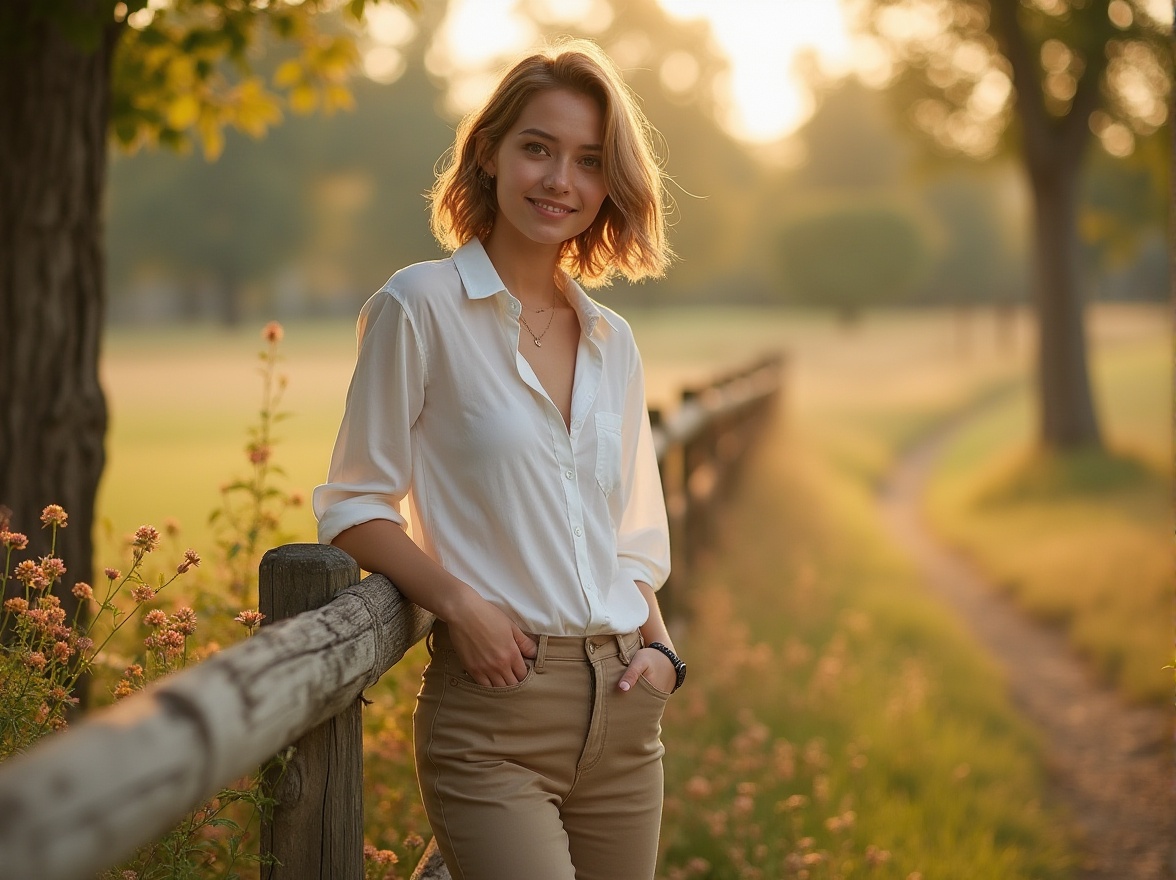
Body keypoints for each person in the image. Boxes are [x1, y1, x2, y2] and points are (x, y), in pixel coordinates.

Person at [312, 37, 684, 880]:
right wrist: (459, 605)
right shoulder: (418, 307)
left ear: (610, 184)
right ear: (489, 153)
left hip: (627, 711)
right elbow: (353, 504)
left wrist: (662, 655)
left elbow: (628, 533)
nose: (561, 181)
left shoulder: (611, 340)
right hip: (494, 716)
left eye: (589, 161)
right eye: (538, 149)